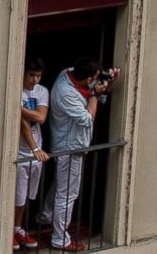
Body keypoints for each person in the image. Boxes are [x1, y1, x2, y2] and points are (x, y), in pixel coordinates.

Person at [48, 59, 115, 252]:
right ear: (86, 78)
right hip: (70, 148)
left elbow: (90, 89)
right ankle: (60, 239)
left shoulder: (68, 71)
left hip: (67, 145)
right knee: (67, 194)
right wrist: (95, 93)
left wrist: (105, 83)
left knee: (61, 185)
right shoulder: (66, 92)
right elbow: (87, 119)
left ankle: (45, 215)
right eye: (93, 78)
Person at [13, 59, 51, 252]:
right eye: (31, 75)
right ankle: (12, 228)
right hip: (23, 151)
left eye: (38, 76)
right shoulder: (16, 89)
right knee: (18, 196)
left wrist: (18, 108)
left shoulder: (42, 91)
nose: (35, 80)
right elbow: (24, 124)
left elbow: (41, 117)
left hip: (37, 154)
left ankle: (17, 227)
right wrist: (35, 149)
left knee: (28, 195)